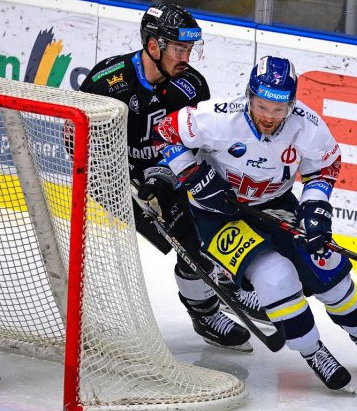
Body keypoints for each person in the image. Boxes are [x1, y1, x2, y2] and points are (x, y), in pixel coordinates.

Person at [153, 56, 357, 392]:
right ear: (249, 96)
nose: (269, 116)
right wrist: (193, 175)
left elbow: (325, 166)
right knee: (275, 277)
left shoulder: (308, 125)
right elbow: (165, 133)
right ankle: (313, 351)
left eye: (279, 108)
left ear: (292, 103)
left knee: (327, 269)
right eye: (262, 106)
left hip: (274, 204)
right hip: (217, 214)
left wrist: (315, 205)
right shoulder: (217, 118)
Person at [80, 3, 266, 352]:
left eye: (190, 48)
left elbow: (200, 143)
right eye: (179, 48)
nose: (187, 56)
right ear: (153, 46)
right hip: (118, 183)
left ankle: (225, 279)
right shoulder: (108, 82)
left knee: (218, 218)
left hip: (169, 173)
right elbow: (76, 142)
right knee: (191, 240)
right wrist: (123, 181)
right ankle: (205, 313)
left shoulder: (191, 85)